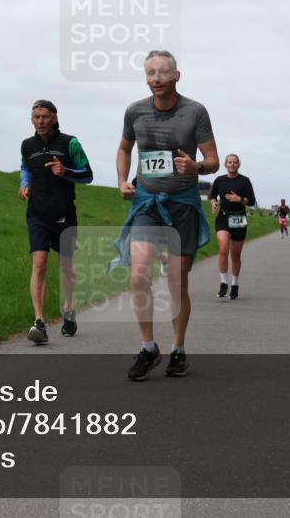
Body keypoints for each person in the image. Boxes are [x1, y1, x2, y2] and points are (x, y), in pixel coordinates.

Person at [113, 50, 219, 381]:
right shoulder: (135, 111)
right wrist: (121, 180)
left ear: (177, 75)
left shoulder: (195, 112)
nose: (156, 78)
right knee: (138, 274)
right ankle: (148, 347)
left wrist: (196, 166)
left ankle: (178, 350)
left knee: (177, 283)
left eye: (162, 72)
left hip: (182, 204)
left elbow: (213, 159)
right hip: (146, 202)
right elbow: (124, 149)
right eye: (150, 73)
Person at [19, 100, 93, 344]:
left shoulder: (69, 143)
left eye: (45, 117)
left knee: (66, 266)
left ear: (54, 118)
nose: (40, 121)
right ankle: (39, 321)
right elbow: (25, 168)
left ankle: (69, 309)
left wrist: (66, 172)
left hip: (64, 214)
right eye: (36, 117)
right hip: (37, 213)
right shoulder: (27, 145)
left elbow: (88, 174)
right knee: (39, 264)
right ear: (32, 119)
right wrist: (24, 185)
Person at [209, 154, 255, 300]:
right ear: (226, 164)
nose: (232, 164)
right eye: (230, 162)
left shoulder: (245, 181)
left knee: (235, 255)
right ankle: (223, 283)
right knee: (223, 249)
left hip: (239, 218)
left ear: (238, 164)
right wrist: (213, 204)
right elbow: (212, 195)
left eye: (235, 162)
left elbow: (251, 201)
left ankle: (234, 285)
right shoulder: (219, 180)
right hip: (223, 217)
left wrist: (240, 199)